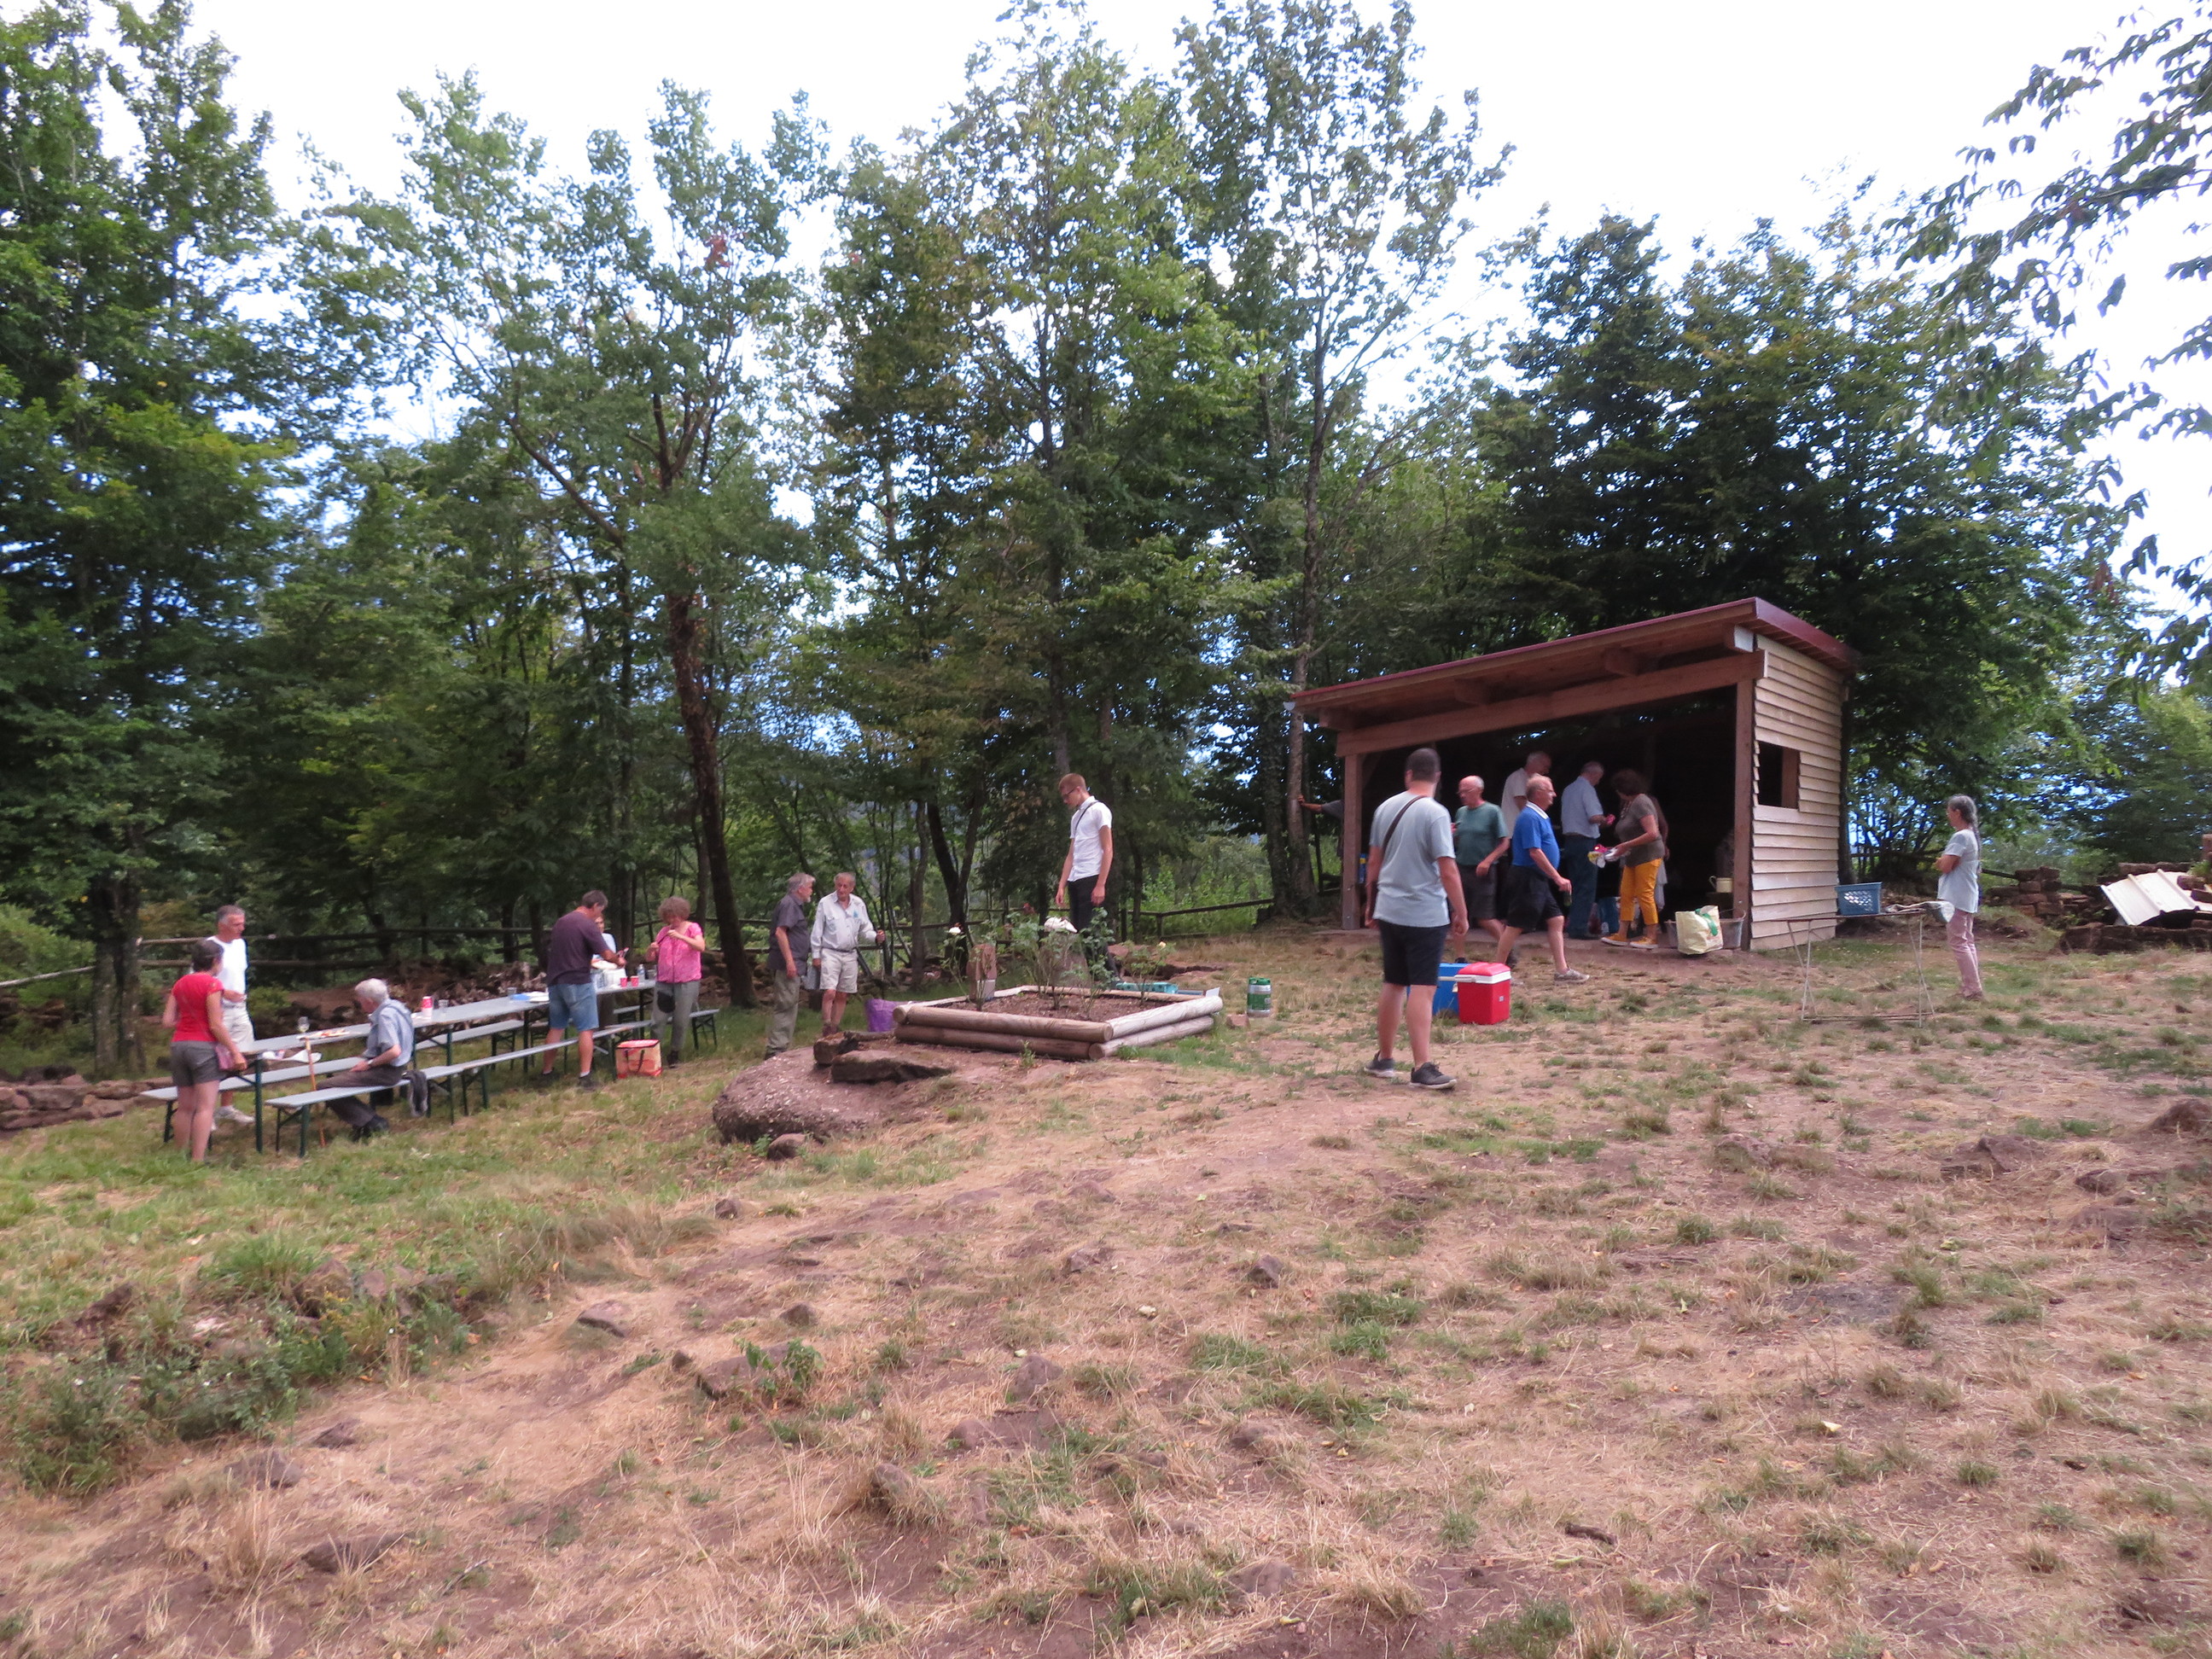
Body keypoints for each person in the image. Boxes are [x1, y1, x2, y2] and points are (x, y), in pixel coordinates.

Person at [1362, 746, 1468, 1090]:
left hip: (1389, 908)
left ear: (1408, 775)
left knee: (1393, 982)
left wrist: (1370, 904)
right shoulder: (1436, 814)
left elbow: (1373, 862)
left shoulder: (1385, 808)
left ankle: (1384, 1059)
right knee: (1422, 987)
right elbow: (1448, 869)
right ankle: (1422, 1066)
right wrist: (1462, 911)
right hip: (1424, 912)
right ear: (1438, 777)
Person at [1494, 774, 1591, 984]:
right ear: (1538, 793)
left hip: (1537, 878)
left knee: (1556, 920)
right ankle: (1499, 973)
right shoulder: (1530, 817)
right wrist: (1557, 877)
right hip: (1527, 878)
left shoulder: (1539, 816)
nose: (1554, 795)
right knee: (1515, 925)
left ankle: (1562, 971)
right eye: (1550, 791)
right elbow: (1535, 852)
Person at [162, 938, 243, 1164]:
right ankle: (197, 1159)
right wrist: (235, 1052)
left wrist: (188, 1019)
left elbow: (167, 1021)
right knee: (205, 1108)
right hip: (203, 1047)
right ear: (216, 961)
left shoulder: (180, 983)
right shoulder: (212, 985)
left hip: (179, 1045)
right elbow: (215, 1025)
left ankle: (179, 1155)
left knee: (185, 1107)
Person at [539, 890, 622, 1086]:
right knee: (586, 1029)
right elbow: (606, 954)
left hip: (555, 982)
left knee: (556, 1027)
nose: (599, 915)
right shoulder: (587, 924)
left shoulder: (561, 922)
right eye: (600, 910)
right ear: (595, 906)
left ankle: (547, 1072)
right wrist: (619, 960)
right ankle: (585, 1076)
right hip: (577, 981)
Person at [332, 978, 417, 1138]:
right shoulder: (397, 1007)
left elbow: (394, 1052)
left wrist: (369, 1064)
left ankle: (373, 1123)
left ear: (369, 1001)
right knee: (341, 1076)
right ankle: (369, 1120)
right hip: (400, 1067)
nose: (358, 1001)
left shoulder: (385, 1016)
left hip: (386, 1071)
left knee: (325, 1086)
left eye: (360, 999)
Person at [1602, 771, 1668, 950]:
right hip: (1633, 857)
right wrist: (1619, 848)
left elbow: (1652, 833)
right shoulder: (1629, 804)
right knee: (1626, 894)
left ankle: (1652, 936)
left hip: (1648, 855)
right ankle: (1622, 934)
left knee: (1645, 894)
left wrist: (1626, 845)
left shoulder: (1641, 802)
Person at [810, 871, 878, 1039]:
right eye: (839, 885)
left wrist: (877, 937)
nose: (841, 889)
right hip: (830, 952)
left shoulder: (858, 904)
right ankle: (826, 1024)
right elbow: (817, 930)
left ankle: (835, 1026)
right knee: (830, 991)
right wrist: (816, 955)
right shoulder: (825, 903)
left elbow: (866, 929)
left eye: (845, 886)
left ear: (852, 888)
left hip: (850, 954)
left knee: (843, 993)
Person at [1452, 774, 1509, 953]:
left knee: (1484, 917)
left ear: (1479, 790)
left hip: (1483, 871)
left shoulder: (1492, 811)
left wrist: (1488, 861)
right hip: (1461, 868)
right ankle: (1460, 957)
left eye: (1466, 791)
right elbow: (1459, 840)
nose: (1462, 795)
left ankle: (1508, 951)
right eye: (1460, 792)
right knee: (1457, 914)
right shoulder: (1461, 812)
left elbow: (1504, 842)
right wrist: (1451, 834)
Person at [1937, 794, 1983, 1001]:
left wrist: (1941, 861)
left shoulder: (1961, 836)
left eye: (1949, 811)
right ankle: (1971, 986)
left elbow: (1946, 866)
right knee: (1966, 941)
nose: (1948, 815)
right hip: (1966, 895)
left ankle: (1972, 988)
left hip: (1956, 896)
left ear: (1957, 812)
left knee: (1959, 942)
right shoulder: (1971, 835)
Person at [650, 896, 707, 1066]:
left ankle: (675, 1052)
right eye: (669, 917)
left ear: (682, 914)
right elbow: (651, 957)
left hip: (687, 981)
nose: (672, 920)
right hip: (664, 981)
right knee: (658, 1020)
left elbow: (701, 946)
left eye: (675, 916)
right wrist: (651, 950)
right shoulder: (664, 932)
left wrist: (681, 937)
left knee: (680, 1020)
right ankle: (654, 1053)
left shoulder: (693, 928)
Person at [1054, 774, 1114, 934]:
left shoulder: (1099, 810)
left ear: (1078, 790)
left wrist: (1100, 885)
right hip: (1075, 879)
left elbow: (1108, 849)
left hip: (1091, 878)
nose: (1065, 801)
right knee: (1079, 932)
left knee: (1091, 934)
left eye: (1067, 796)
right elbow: (1071, 855)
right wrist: (1062, 886)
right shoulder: (1076, 818)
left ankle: (1105, 955)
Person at [1558, 760, 1610, 940]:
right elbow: (1593, 817)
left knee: (1575, 885)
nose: (1598, 782)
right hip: (1586, 842)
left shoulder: (1568, 789)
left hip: (1570, 842)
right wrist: (1605, 820)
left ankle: (1572, 922)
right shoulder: (1587, 789)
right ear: (1593, 774)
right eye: (1599, 778)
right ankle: (1579, 927)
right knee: (1587, 886)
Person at [765, 872, 815, 1057]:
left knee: (790, 1003)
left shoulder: (793, 905)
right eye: (810, 887)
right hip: (788, 963)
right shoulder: (789, 904)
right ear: (800, 889)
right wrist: (790, 962)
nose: (811, 891)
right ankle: (776, 1050)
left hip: (794, 962)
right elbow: (780, 932)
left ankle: (781, 1046)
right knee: (785, 1004)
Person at [1498, 750, 1551, 837]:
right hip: (1515, 832)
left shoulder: (1525, 778)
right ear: (1535, 762)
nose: (1547, 771)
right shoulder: (1519, 777)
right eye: (1545, 767)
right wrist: (1539, 822)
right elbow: (1522, 804)